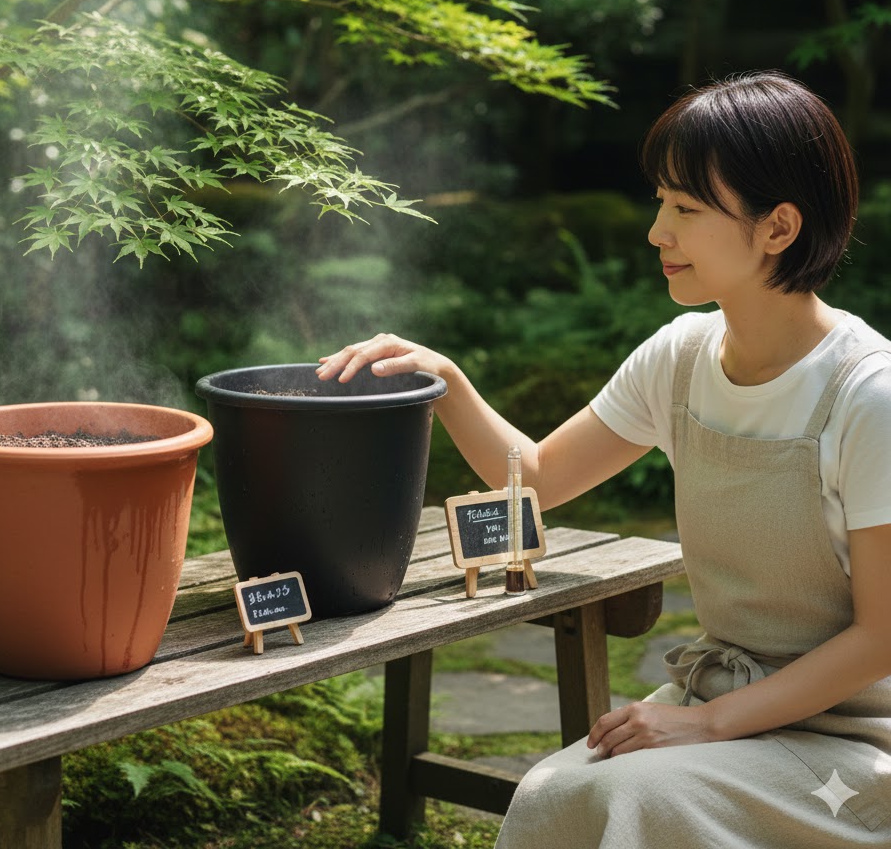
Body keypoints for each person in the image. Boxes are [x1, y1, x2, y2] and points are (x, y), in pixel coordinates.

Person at [316, 71, 891, 847]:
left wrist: (710, 723)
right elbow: (539, 480)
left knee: (637, 798)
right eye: (662, 201)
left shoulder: (868, 394)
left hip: (856, 742)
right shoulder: (681, 358)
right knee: (553, 793)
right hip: (723, 707)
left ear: (778, 228)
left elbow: (881, 638)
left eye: (686, 209)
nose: (658, 231)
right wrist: (446, 382)